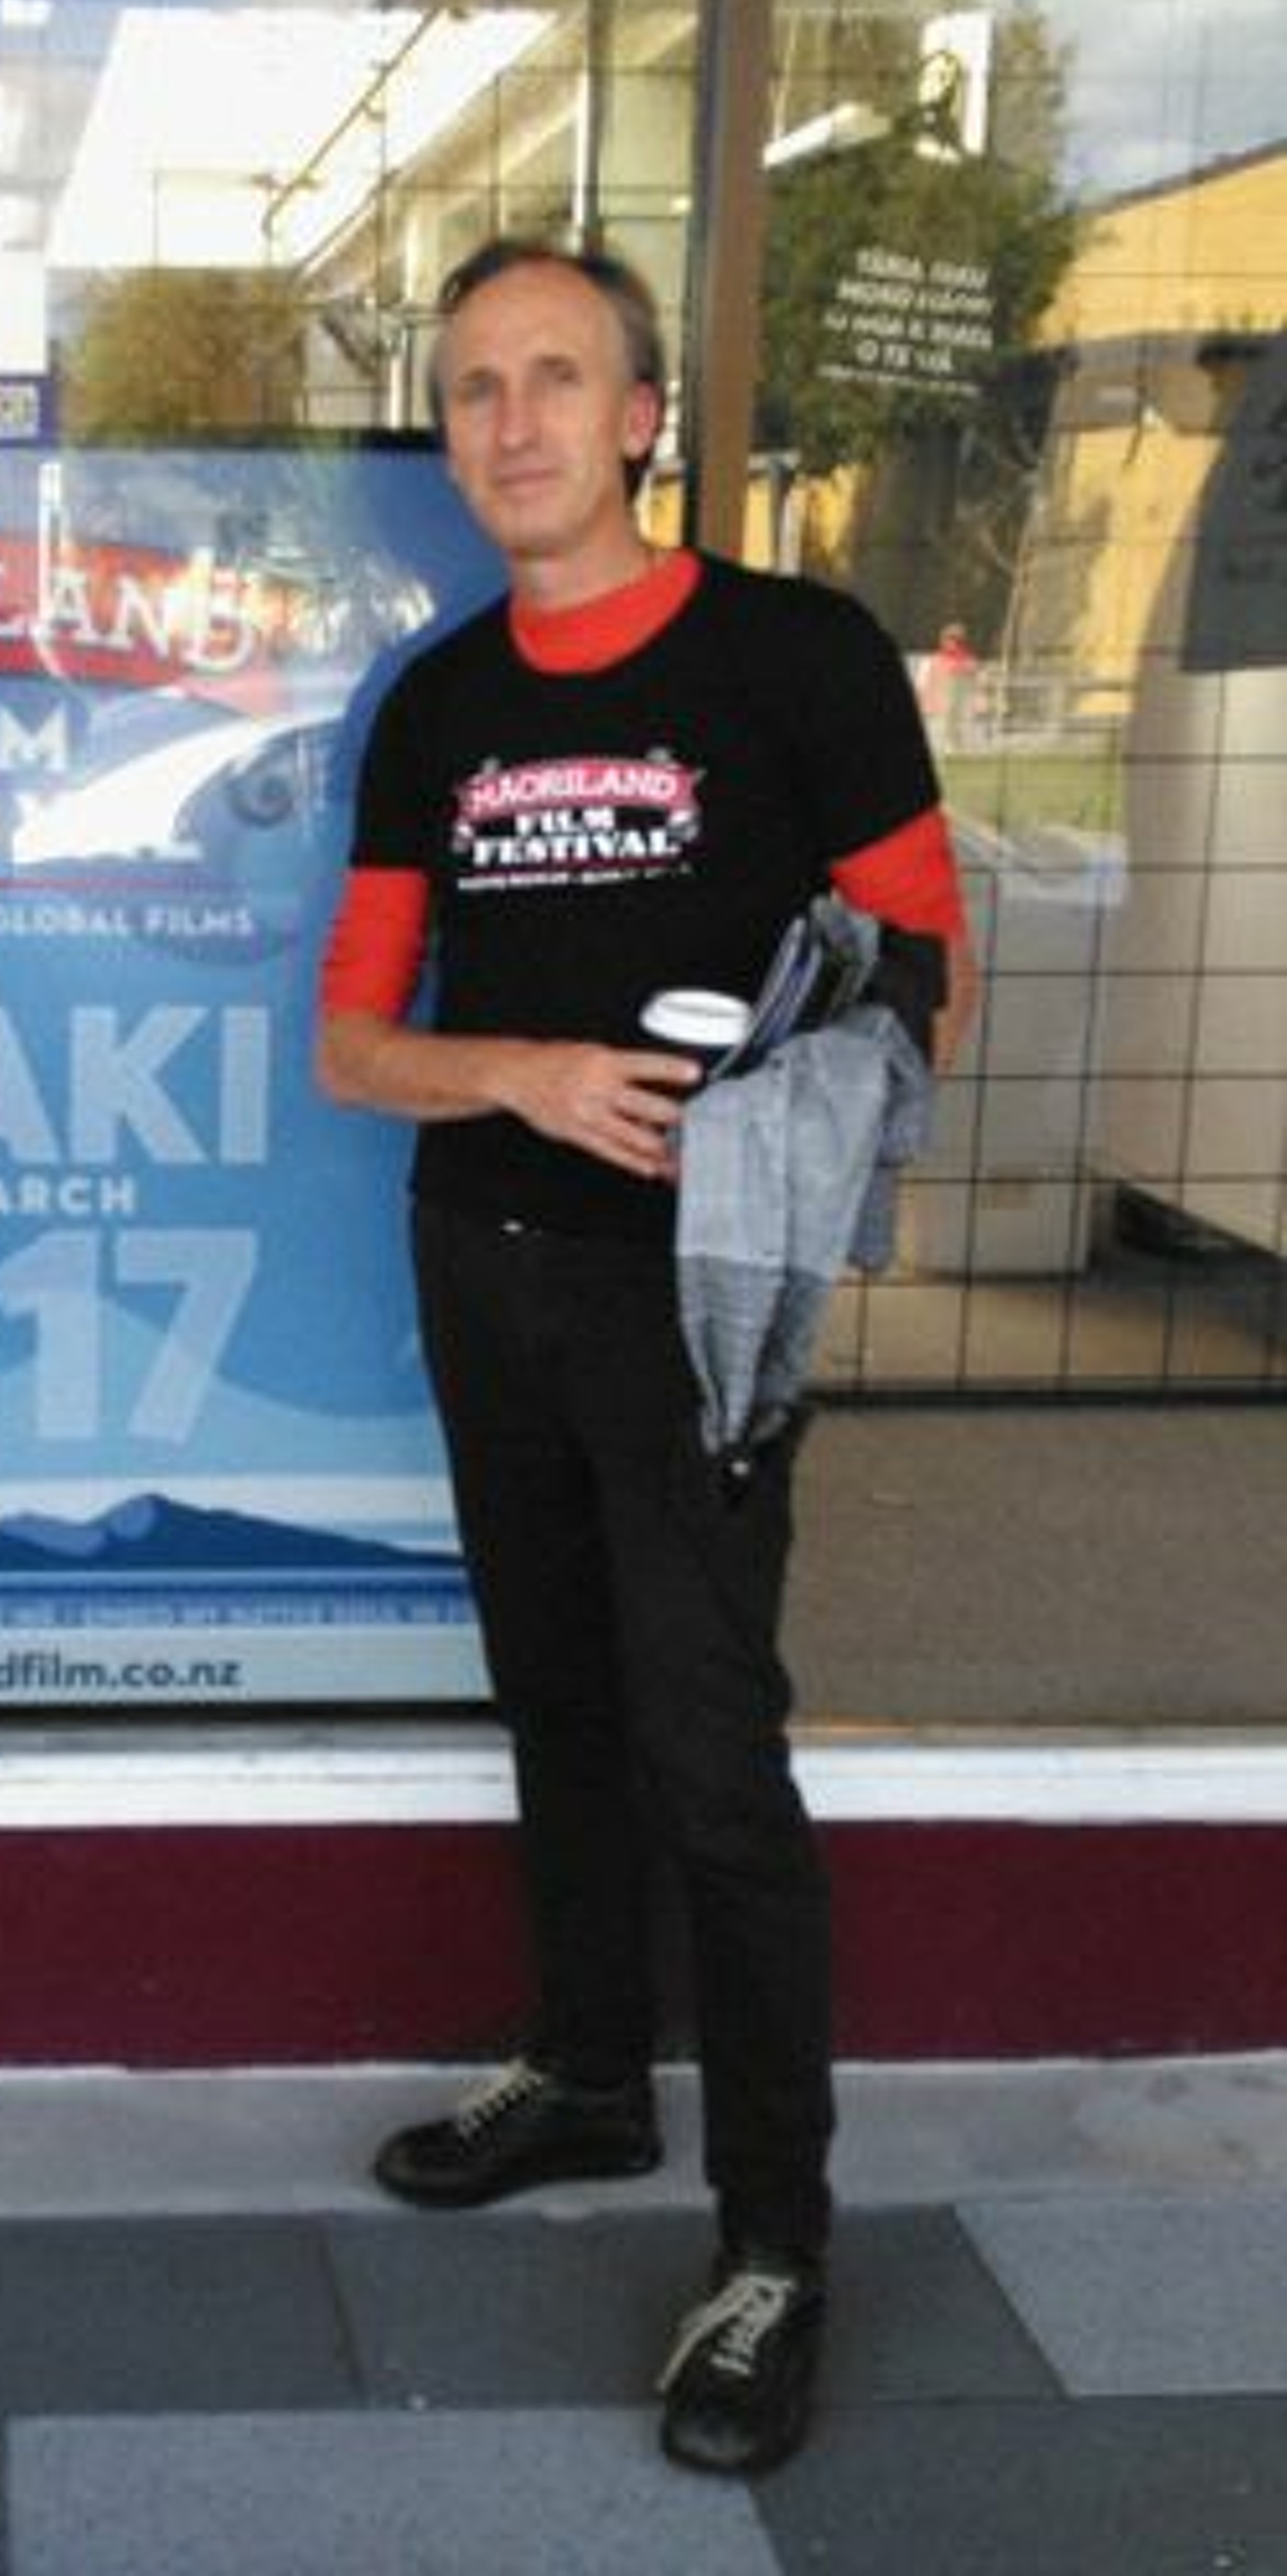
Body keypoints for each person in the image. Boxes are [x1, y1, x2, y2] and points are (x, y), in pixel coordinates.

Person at [314, 237, 973, 2479]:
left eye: (555, 377)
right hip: (483, 1260)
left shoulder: (797, 657)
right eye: (473, 385)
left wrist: (762, 1127)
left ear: (640, 417)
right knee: (556, 1696)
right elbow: (352, 1047)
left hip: (700, 1299)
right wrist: (519, 1071)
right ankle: (593, 2076)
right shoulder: (434, 709)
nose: (510, 421)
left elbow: (927, 983)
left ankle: (775, 2245)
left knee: (711, 1750)